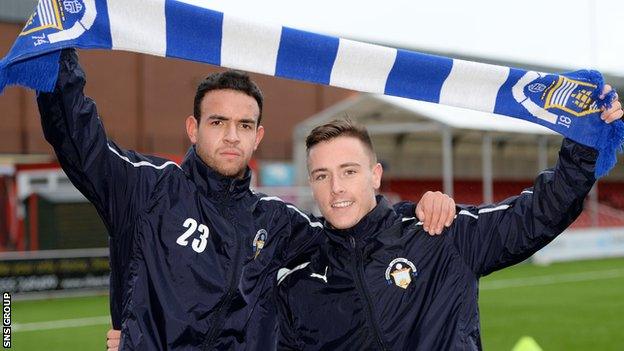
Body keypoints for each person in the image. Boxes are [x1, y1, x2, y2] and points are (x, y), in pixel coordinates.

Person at [37, 49, 455, 350]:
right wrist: (57, 52)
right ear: (193, 128)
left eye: (244, 125)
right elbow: (78, 139)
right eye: (218, 122)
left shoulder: (275, 221)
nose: (231, 135)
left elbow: (354, 228)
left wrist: (419, 209)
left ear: (258, 136)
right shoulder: (147, 189)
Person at [274, 101, 621, 350]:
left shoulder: (438, 232)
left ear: (375, 175)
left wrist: (583, 142)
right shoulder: (297, 280)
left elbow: (537, 214)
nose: (336, 188)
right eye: (322, 176)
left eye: (349, 171)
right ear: (311, 183)